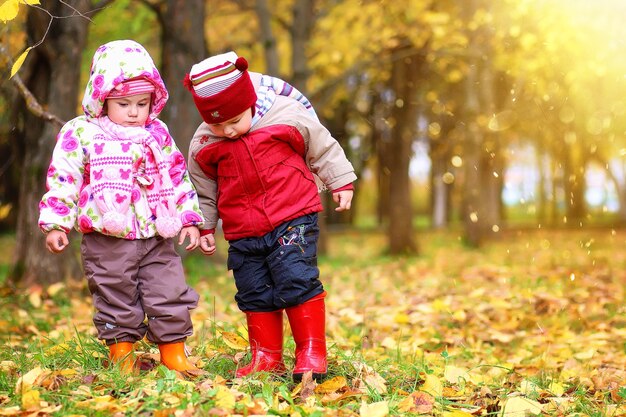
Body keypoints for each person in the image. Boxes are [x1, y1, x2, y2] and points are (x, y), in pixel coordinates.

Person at [183, 51, 357, 382]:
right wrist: (205, 226)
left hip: (293, 216)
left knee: (296, 277)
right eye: (218, 124)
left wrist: (340, 181)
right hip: (243, 230)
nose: (229, 131)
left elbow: (323, 147)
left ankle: (311, 350)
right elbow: (205, 191)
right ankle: (266, 356)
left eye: (235, 121)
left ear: (249, 103)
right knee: (253, 290)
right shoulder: (205, 143)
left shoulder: (285, 117)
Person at [38, 39, 205, 375]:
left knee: (168, 291)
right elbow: (64, 178)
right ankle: (122, 356)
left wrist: (189, 219)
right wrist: (57, 223)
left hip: (157, 234)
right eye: (124, 103)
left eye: (142, 103)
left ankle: (174, 354)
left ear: (152, 102)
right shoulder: (82, 133)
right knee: (115, 296)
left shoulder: (156, 134)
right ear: (102, 100)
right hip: (107, 239)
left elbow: (176, 176)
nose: (133, 111)